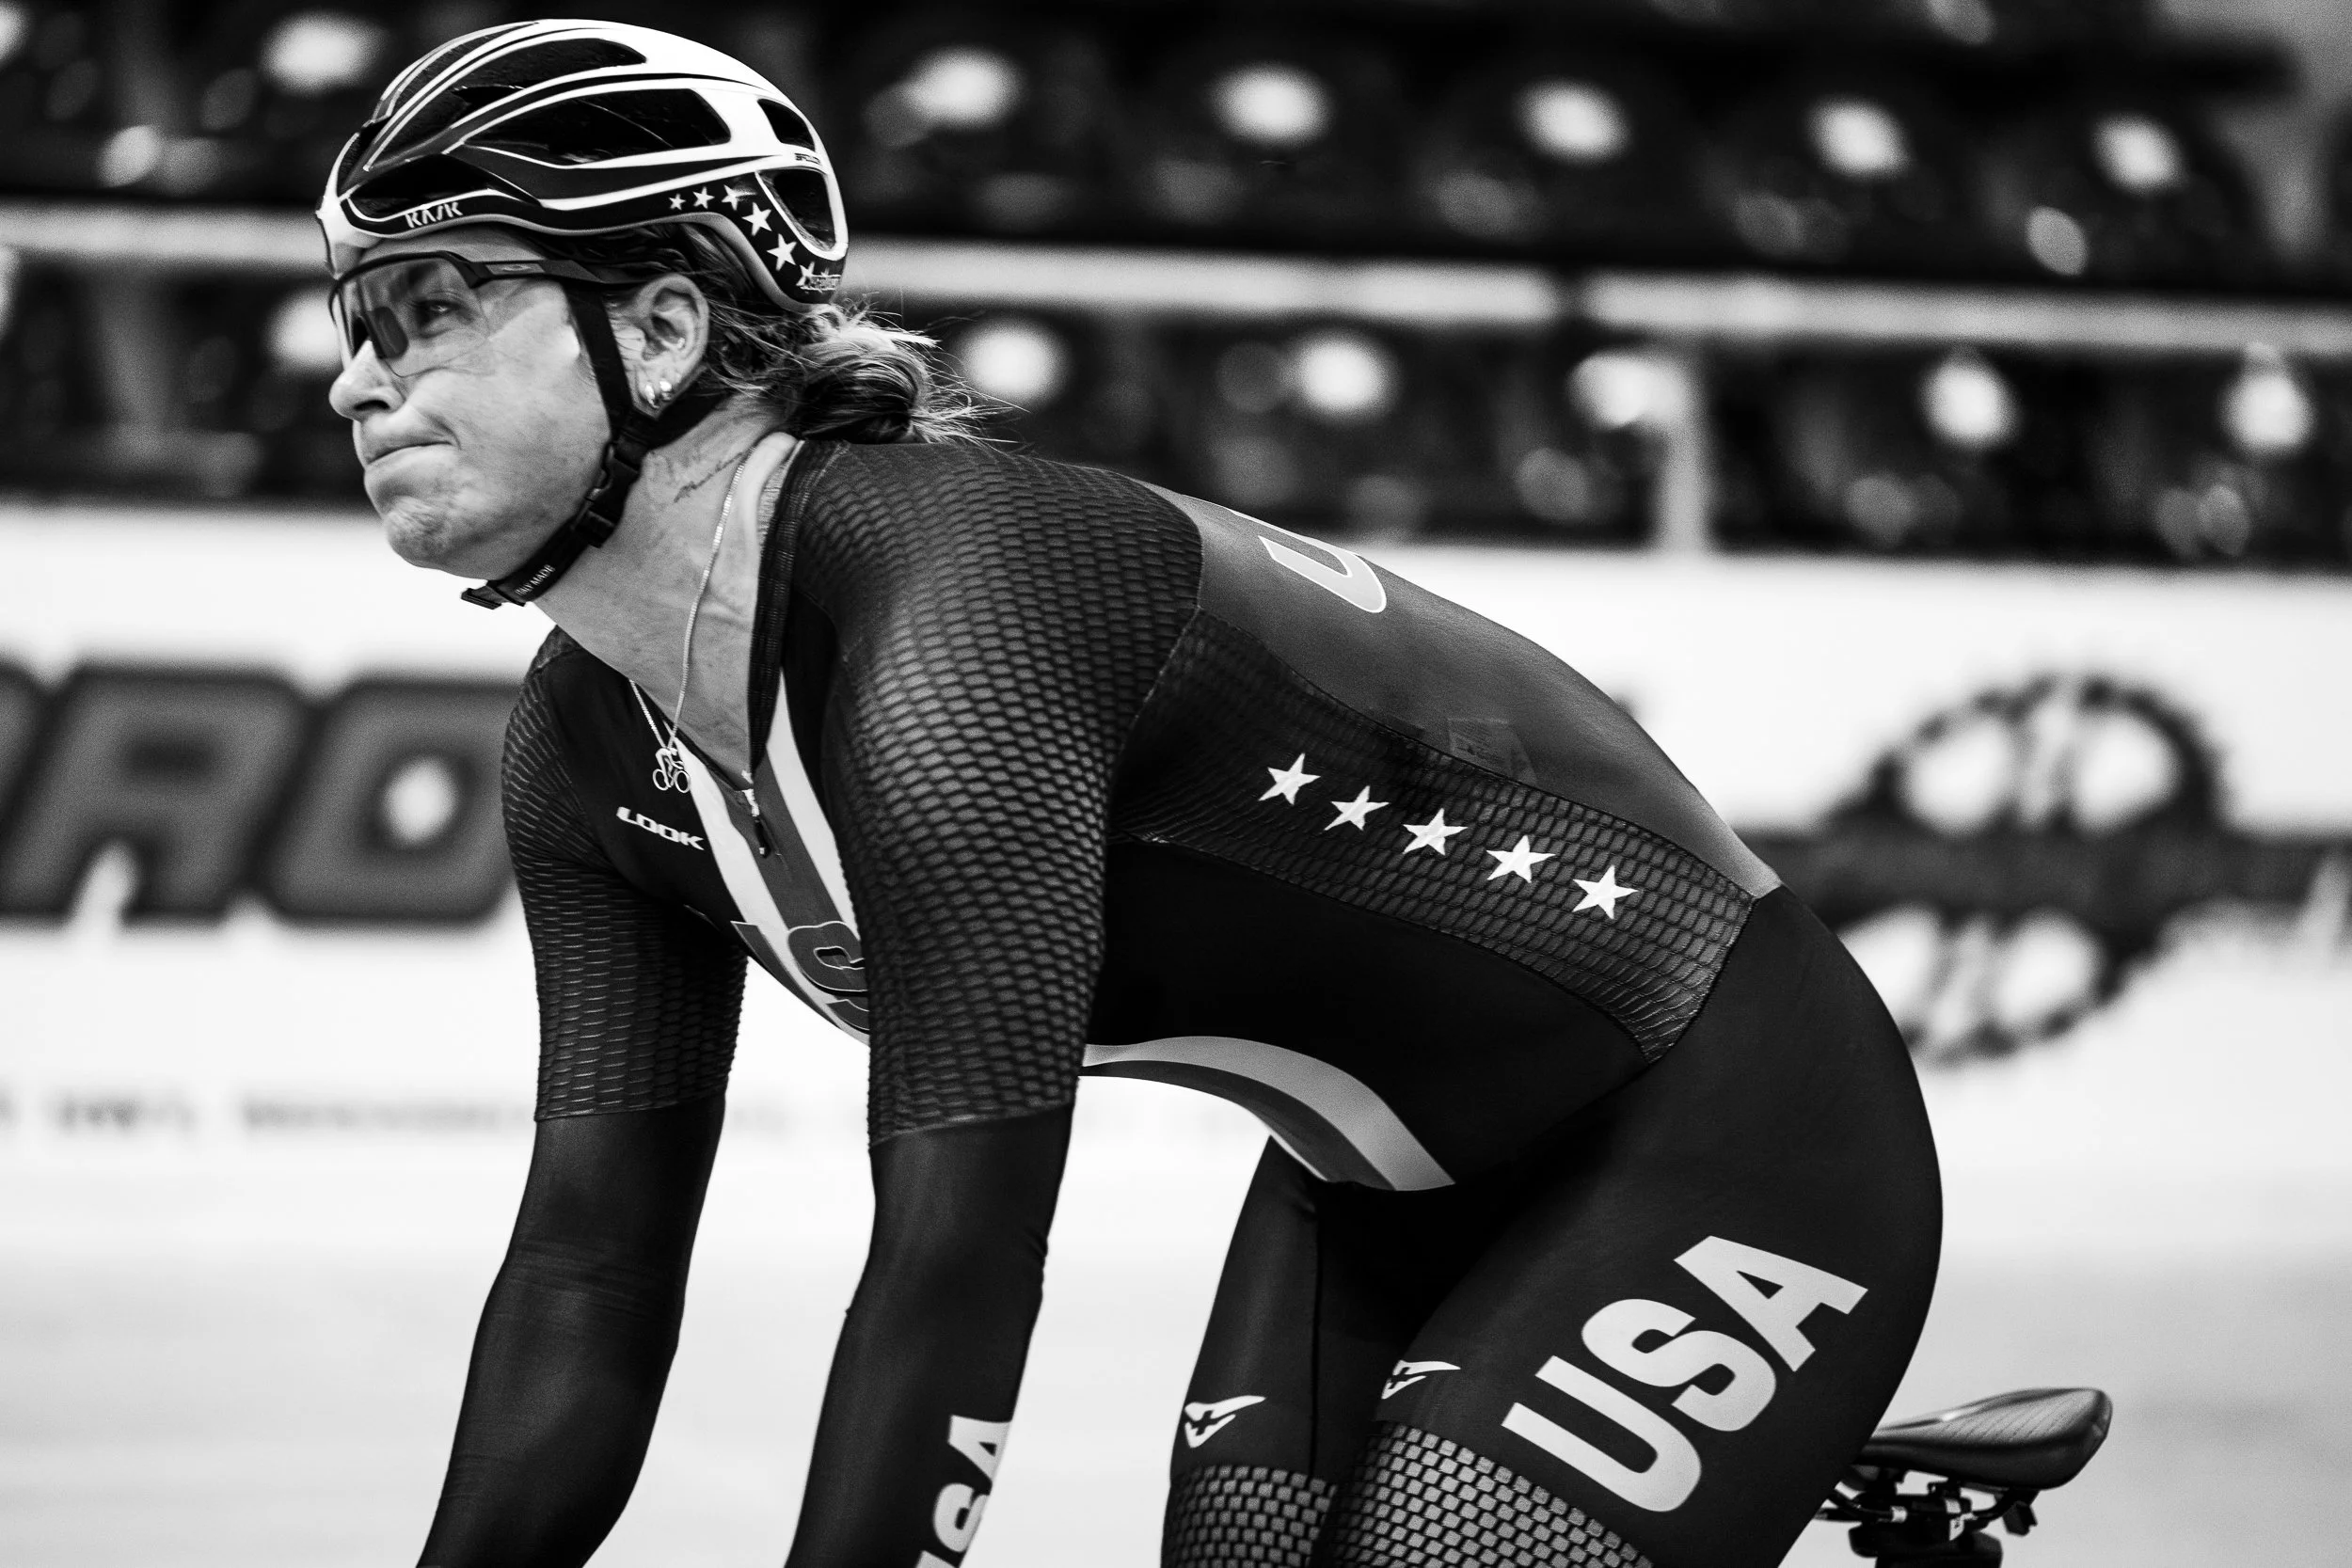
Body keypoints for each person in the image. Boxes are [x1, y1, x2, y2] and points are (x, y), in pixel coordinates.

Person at [323, 22, 1940, 1568]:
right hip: (1372, 1190)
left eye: (432, 306)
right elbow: (590, 1270)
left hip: (1727, 1124)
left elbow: (956, 1262)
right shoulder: (591, 743)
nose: (358, 380)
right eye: (358, 321)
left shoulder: (947, 618)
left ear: (664, 330)